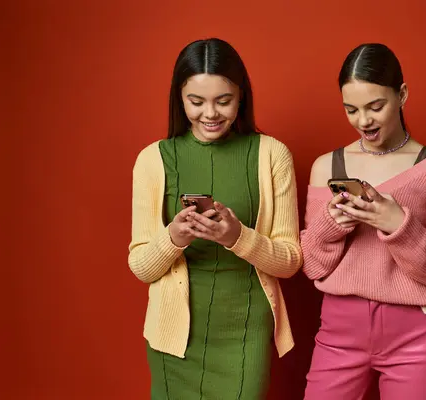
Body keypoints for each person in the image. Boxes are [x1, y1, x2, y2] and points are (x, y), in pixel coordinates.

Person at [128, 38, 302, 399]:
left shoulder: (272, 155)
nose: (211, 113)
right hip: (174, 340)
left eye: (224, 101)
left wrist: (237, 236)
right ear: (180, 98)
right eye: (197, 101)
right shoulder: (152, 159)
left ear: (242, 96)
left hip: (244, 330)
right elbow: (141, 267)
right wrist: (173, 237)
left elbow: (290, 262)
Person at [300, 43, 426, 399]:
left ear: (402, 94)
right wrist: (332, 224)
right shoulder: (327, 167)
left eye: (376, 106)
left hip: (416, 335)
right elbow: (313, 265)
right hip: (338, 332)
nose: (364, 121)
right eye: (352, 109)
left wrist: (397, 224)